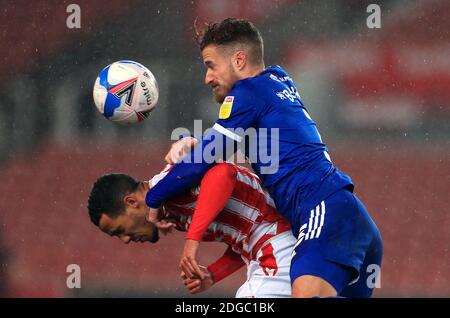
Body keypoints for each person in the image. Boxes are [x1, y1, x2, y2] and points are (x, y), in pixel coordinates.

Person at [145, 18, 383, 298]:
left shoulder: (247, 92)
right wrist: (195, 143)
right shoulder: (277, 79)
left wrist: (153, 196)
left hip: (325, 212)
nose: (207, 78)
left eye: (211, 65)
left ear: (239, 60)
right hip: (350, 218)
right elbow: (253, 147)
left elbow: (205, 159)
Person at [87, 162, 296, 297]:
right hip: (269, 248)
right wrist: (214, 274)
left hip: (279, 240)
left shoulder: (168, 188)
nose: (125, 240)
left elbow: (224, 173)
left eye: (120, 230)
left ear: (132, 202)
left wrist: (191, 241)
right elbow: (244, 236)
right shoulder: (169, 213)